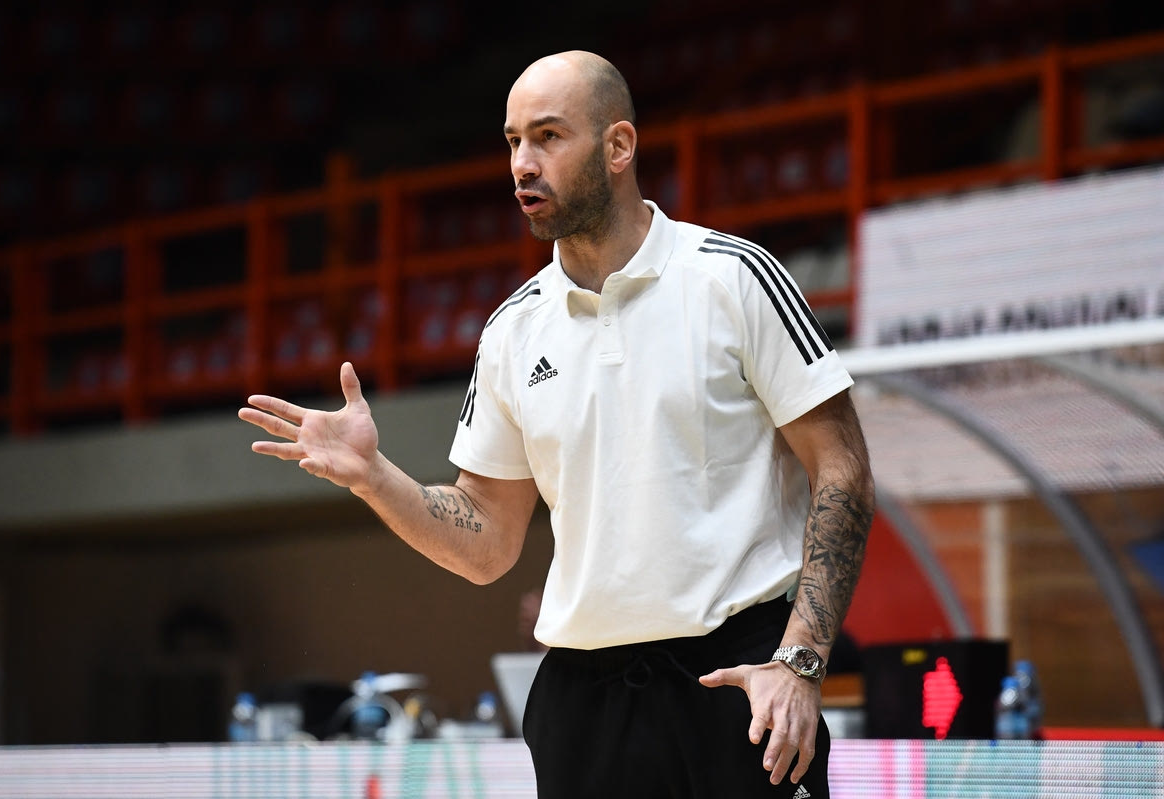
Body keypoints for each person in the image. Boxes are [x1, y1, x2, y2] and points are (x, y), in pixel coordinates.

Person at [239, 50, 873, 799]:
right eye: (513, 141)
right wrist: (375, 478)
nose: (522, 164)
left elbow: (843, 470)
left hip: (740, 683)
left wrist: (800, 661)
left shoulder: (734, 278)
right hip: (584, 703)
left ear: (618, 146)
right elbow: (486, 542)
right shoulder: (511, 331)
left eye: (547, 136)